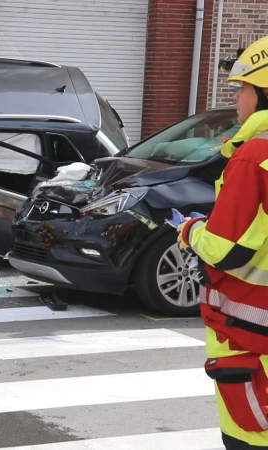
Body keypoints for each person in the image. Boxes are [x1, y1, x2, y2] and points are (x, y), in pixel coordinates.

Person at [177, 35, 268, 450]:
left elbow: (227, 249)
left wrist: (191, 230)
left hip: (253, 340)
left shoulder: (255, 156)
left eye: (243, 88)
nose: (236, 98)